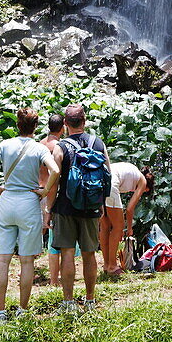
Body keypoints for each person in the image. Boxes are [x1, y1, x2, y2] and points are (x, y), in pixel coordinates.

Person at [0, 107, 59, 324]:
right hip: (28, 204)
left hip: (7, 202)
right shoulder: (39, 148)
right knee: (26, 261)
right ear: (35, 127)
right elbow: (55, 171)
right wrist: (45, 190)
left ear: (17, 125)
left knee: (2, 261)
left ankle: (0, 312)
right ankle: (22, 309)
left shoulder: (6, 145)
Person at [45, 103, 112, 313]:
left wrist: (49, 209)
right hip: (91, 207)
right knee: (89, 254)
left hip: (65, 207)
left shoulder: (60, 147)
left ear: (65, 124)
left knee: (67, 253)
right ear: (84, 121)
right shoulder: (98, 143)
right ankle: (90, 300)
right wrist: (101, 204)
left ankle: (68, 302)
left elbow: (54, 181)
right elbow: (108, 174)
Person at [40, 112, 78, 288]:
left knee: (43, 237)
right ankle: (61, 279)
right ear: (62, 127)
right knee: (59, 240)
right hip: (52, 194)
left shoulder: (39, 145)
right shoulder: (59, 147)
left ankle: (50, 278)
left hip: (38, 192)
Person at [100, 162, 155, 278]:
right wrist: (129, 228)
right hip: (111, 183)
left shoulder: (133, 171)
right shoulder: (142, 181)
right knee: (118, 227)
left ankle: (106, 265)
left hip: (100, 180)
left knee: (105, 226)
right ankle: (112, 266)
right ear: (147, 187)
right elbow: (130, 209)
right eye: (144, 191)